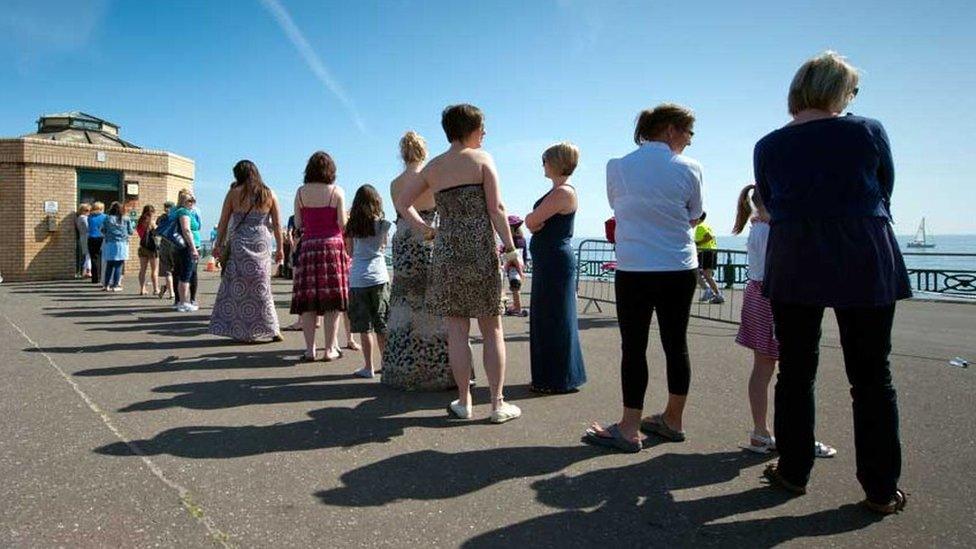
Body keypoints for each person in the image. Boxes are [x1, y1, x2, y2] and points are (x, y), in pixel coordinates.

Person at [755, 51, 910, 514]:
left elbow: (773, 202)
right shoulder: (865, 131)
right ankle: (881, 489)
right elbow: (884, 187)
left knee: (797, 370)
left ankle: (793, 470)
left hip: (796, 256)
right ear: (840, 92)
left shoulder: (768, 145)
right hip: (862, 252)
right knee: (871, 376)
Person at [585, 103, 702, 452]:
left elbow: (617, 206)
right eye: (688, 133)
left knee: (634, 347)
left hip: (635, 268)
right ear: (669, 130)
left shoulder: (617, 167)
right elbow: (694, 215)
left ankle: (629, 427)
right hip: (679, 267)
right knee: (675, 344)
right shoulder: (690, 168)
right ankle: (673, 419)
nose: (690, 141)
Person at [395, 103, 522, 423]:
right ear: (470, 130)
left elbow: (402, 203)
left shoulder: (434, 167)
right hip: (480, 252)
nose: (485, 133)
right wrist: (510, 250)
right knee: (492, 329)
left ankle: (464, 402)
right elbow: (496, 209)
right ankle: (496, 404)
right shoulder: (483, 159)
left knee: (457, 331)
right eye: (482, 128)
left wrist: (425, 230)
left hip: (447, 254)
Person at [732, 184, 837, 459]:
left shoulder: (757, 226)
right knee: (793, 371)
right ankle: (795, 437)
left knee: (763, 369)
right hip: (774, 297)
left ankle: (761, 432)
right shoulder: (772, 229)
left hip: (756, 294)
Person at [382, 131, 453, 391]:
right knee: (434, 300)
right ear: (424, 151)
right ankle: (440, 368)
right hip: (429, 234)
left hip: (403, 239)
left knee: (404, 301)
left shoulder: (394, 183)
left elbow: (401, 211)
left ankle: (403, 367)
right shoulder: (433, 177)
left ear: (402, 153)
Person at [524, 142, 587, 394]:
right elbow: (533, 221)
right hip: (548, 259)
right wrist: (533, 221)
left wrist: (533, 220)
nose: (543, 165)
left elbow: (532, 220)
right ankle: (552, 376)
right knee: (547, 316)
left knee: (554, 318)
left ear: (556, 162)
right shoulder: (558, 191)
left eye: (545, 160)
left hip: (555, 261)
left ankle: (558, 377)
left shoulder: (564, 193)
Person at [209, 160, 284, 342]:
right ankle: (273, 328)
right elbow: (277, 224)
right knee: (262, 286)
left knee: (239, 288)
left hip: (240, 242)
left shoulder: (233, 193)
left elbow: (223, 222)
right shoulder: (269, 193)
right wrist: (280, 248)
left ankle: (244, 331)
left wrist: (218, 244)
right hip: (261, 242)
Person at [290, 151, 348, 361]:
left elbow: (298, 224)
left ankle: (309, 349)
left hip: (309, 248)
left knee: (308, 300)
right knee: (332, 300)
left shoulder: (300, 193)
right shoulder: (337, 192)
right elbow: (342, 224)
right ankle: (330, 348)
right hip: (332, 247)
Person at [345, 184, 392, 378]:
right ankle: (387, 364)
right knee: (382, 325)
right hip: (379, 276)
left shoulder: (352, 226)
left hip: (358, 278)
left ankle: (368, 367)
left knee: (365, 328)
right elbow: (383, 245)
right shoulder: (382, 223)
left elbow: (349, 252)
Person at [173, 190, 202, 312]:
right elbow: (186, 230)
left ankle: (182, 301)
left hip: (185, 247)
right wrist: (193, 248)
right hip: (187, 247)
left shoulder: (185, 211)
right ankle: (184, 302)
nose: (192, 203)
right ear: (183, 201)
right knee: (186, 274)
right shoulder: (184, 212)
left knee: (185, 274)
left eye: (193, 200)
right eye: (190, 200)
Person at [101, 201, 134, 292]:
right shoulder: (126, 219)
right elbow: (131, 231)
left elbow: (103, 230)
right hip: (122, 244)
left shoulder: (107, 218)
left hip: (110, 243)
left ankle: (106, 285)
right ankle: (116, 285)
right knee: (118, 265)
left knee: (109, 265)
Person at [695, 212, 724, 304]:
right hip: (709, 252)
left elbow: (709, 237)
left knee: (705, 275)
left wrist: (697, 244)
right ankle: (712, 292)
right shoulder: (705, 226)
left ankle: (714, 293)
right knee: (705, 274)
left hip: (706, 252)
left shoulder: (701, 227)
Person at [504, 215, 528, 316]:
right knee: (516, 287)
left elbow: (512, 257)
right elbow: (525, 254)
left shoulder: (511, 242)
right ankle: (516, 306)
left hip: (513, 267)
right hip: (521, 265)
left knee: (514, 287)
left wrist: (505, 266)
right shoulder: (522, 240)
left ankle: (517, 308)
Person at [136, 205, 159, 296]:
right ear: (152, 212)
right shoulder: (152, 223)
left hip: (143, 247)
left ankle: (142, 289)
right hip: (152, 249)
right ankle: (156, 289)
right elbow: (158, 233)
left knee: (143, 269)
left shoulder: (140, 222)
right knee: (154, 270)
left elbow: (140, 234)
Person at [156, 201, 176, 299]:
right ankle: (171, 292)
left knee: (169, 270)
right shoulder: (177, 217)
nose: (167, 209)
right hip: (173, 245)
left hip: (165, 245)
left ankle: (168, 289)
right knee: (170, 270)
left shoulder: (161, 218)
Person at [87, 201, 106, 285]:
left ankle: (95, 278)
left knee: (94, 258)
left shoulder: (89, 217)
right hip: (101, 238)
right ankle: (102, 276)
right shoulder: (105, 217)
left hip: (91, 238)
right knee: (103, 258)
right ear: (101, 209)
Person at [75, 203, 92, 278]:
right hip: (87, 237)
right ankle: (87, 271)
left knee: (86, 254)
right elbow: (88, 227)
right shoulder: (84, 218)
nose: (89, 212)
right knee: (88, 255)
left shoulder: (79, 218)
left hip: (82, 237)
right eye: (87, 210)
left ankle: (85, 270)